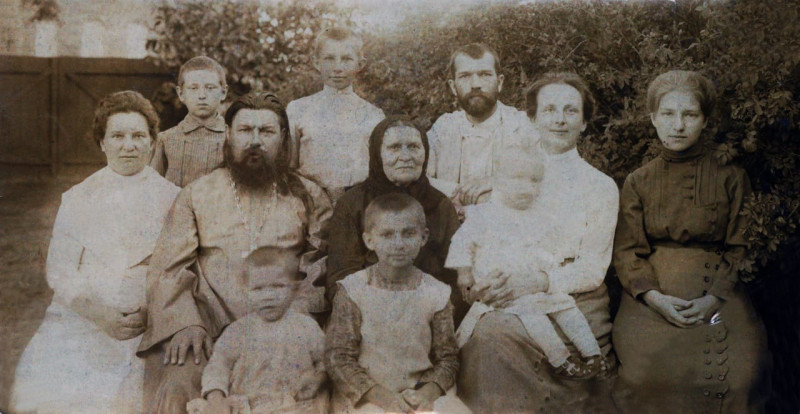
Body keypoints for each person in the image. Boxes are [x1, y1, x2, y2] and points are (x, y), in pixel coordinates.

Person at [137, 92, 332, 414]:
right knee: (178, 381)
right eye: (244, 130)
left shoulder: (308, 196)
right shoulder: (197, 194)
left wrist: (292, 318)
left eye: (266, 131)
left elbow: (320, 266)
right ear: (228, 135)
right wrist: (186, 323)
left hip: (284, 324)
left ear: (283, 138)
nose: (254, 141)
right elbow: (169, 268)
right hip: (208, 326)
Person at [457, 72, 619, 413]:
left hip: (576, 298)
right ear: (532, 119)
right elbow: (483, 242)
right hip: (510, 291)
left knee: (568, 359)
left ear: (584, 122)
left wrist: (538, 281)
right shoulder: (507, 177)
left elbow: (593, 269)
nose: (559, 119)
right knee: (488, 336)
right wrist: (484, 283)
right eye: (549, 110)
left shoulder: (600, 186)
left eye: (570, 111)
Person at [11, 91, 179, 413]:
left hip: (149, 320)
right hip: (86, 316)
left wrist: (152, 311)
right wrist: (100, 315)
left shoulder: (173, 198)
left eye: (138, 136)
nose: (128, 146)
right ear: (102, 143)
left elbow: (178, 268)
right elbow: (60, 270)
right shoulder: (79, 197)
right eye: (117, 136)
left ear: (152, 142)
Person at [612, 70, 769, 413]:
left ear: (705, 120)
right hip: (652, 300)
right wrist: (654, 298)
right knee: (644, 377)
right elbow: (627, 252)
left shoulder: (731, 176)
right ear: (653, 119)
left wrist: (713, 298)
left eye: (690, 115)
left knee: (738, 376)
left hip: (718, 294)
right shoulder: (639, 181)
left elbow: (741, 246)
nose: (678, 125)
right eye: (668, 114)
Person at [447, 148, 604, 379]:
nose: (527, 188)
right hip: (502, 286)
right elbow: (461, 242)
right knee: (534, 316)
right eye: (517, 179)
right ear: (498, 180)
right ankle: (561, 360)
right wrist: (464, 273)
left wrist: (548, 266)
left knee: (566, 306)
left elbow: (552, 248)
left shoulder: (540, 215)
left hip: (532, 281)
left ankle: (593, 354)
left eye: (534, 181)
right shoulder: (483, 214)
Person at [326, 193, 469, 414]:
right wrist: (385, 399)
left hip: (420, 394)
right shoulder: (353, 290)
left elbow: (448, 359)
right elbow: (339, 358)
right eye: (387, 235)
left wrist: (425, 394)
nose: (398, 244)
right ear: (369, 240)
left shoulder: (436, 292)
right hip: (369, 396)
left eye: (408, 234)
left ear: (423, 237)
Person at [327, 117, 464, 323]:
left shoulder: (441, 205)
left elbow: (456, 277)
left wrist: (428, 316)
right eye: (394, 148)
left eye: (413, 147)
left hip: (430, 315)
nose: (405, 156)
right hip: (369, 316)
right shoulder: (352, 204)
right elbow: (341, 277)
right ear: (377, 154)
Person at [186, 252, 327, 414]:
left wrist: (318, 379)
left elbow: (325, 360)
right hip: (249, 407)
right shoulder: (238, 330)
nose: (268, 296)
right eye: (258, 289)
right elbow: (218, 366)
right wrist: (216, 397)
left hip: (295, 405)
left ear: (294, 289)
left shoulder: (306, 326)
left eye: (278, 286)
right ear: (245, 291)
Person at [427, 43, 534, 208]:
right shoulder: (442, 129)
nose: (475, 84)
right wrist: (457, 194)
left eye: (484, 74)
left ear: (499, 82)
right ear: (453, 87)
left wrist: (499, 183)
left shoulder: (523, 126)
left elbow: (548, 177)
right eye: (465, 76)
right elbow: (419, 178)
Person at [287, 26, 385, 202]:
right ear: (316, 62)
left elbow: (380, 170)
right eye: (329, 59)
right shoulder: (298, 109)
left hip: (360, 202)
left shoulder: (374, 115)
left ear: (360, 64)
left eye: (346, 59)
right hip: (311, 200)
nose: (338, 68)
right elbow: (290, 166)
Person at [150, 56, 229, 187]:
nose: (202, 95)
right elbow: (153, 188)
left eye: (210, 88)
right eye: (193, 88)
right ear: (181, 94)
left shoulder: (233, 140)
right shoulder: (165, 140)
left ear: (223, 92)